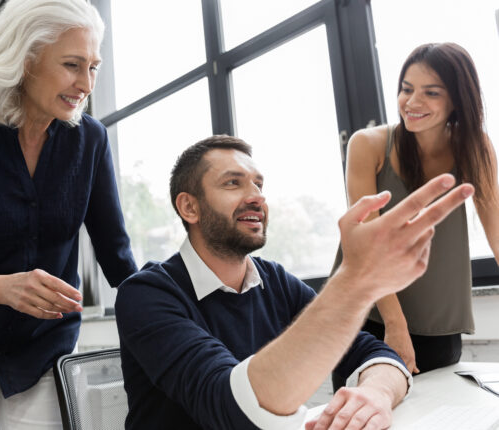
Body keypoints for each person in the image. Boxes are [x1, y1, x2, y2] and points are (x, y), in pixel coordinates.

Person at [115, 135, 473, 430]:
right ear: (189, 208)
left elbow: (373, 352)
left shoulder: (275, 280)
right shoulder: (146, 294)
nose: (256, 195)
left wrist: (376, 394)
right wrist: (356, 281)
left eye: (258, 183)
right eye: (233, 183)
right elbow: (230, 408)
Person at [0, 0, 137, 428]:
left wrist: (177, 311)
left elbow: (118, 257)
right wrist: (5, 288)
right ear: (25, 59)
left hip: (41, 353)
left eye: (93, 67)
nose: (86, 84)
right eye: (72, 64)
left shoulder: (91, 141)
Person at [334, 42, 499, 385]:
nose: (412, 102)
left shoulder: (474, 146)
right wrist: (395, 326)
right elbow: (368, 245)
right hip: (368, 316)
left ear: (457, 99)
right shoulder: (368, 144)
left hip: (438, 319)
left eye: (431, 92)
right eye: (406, 89)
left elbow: (496, 225)